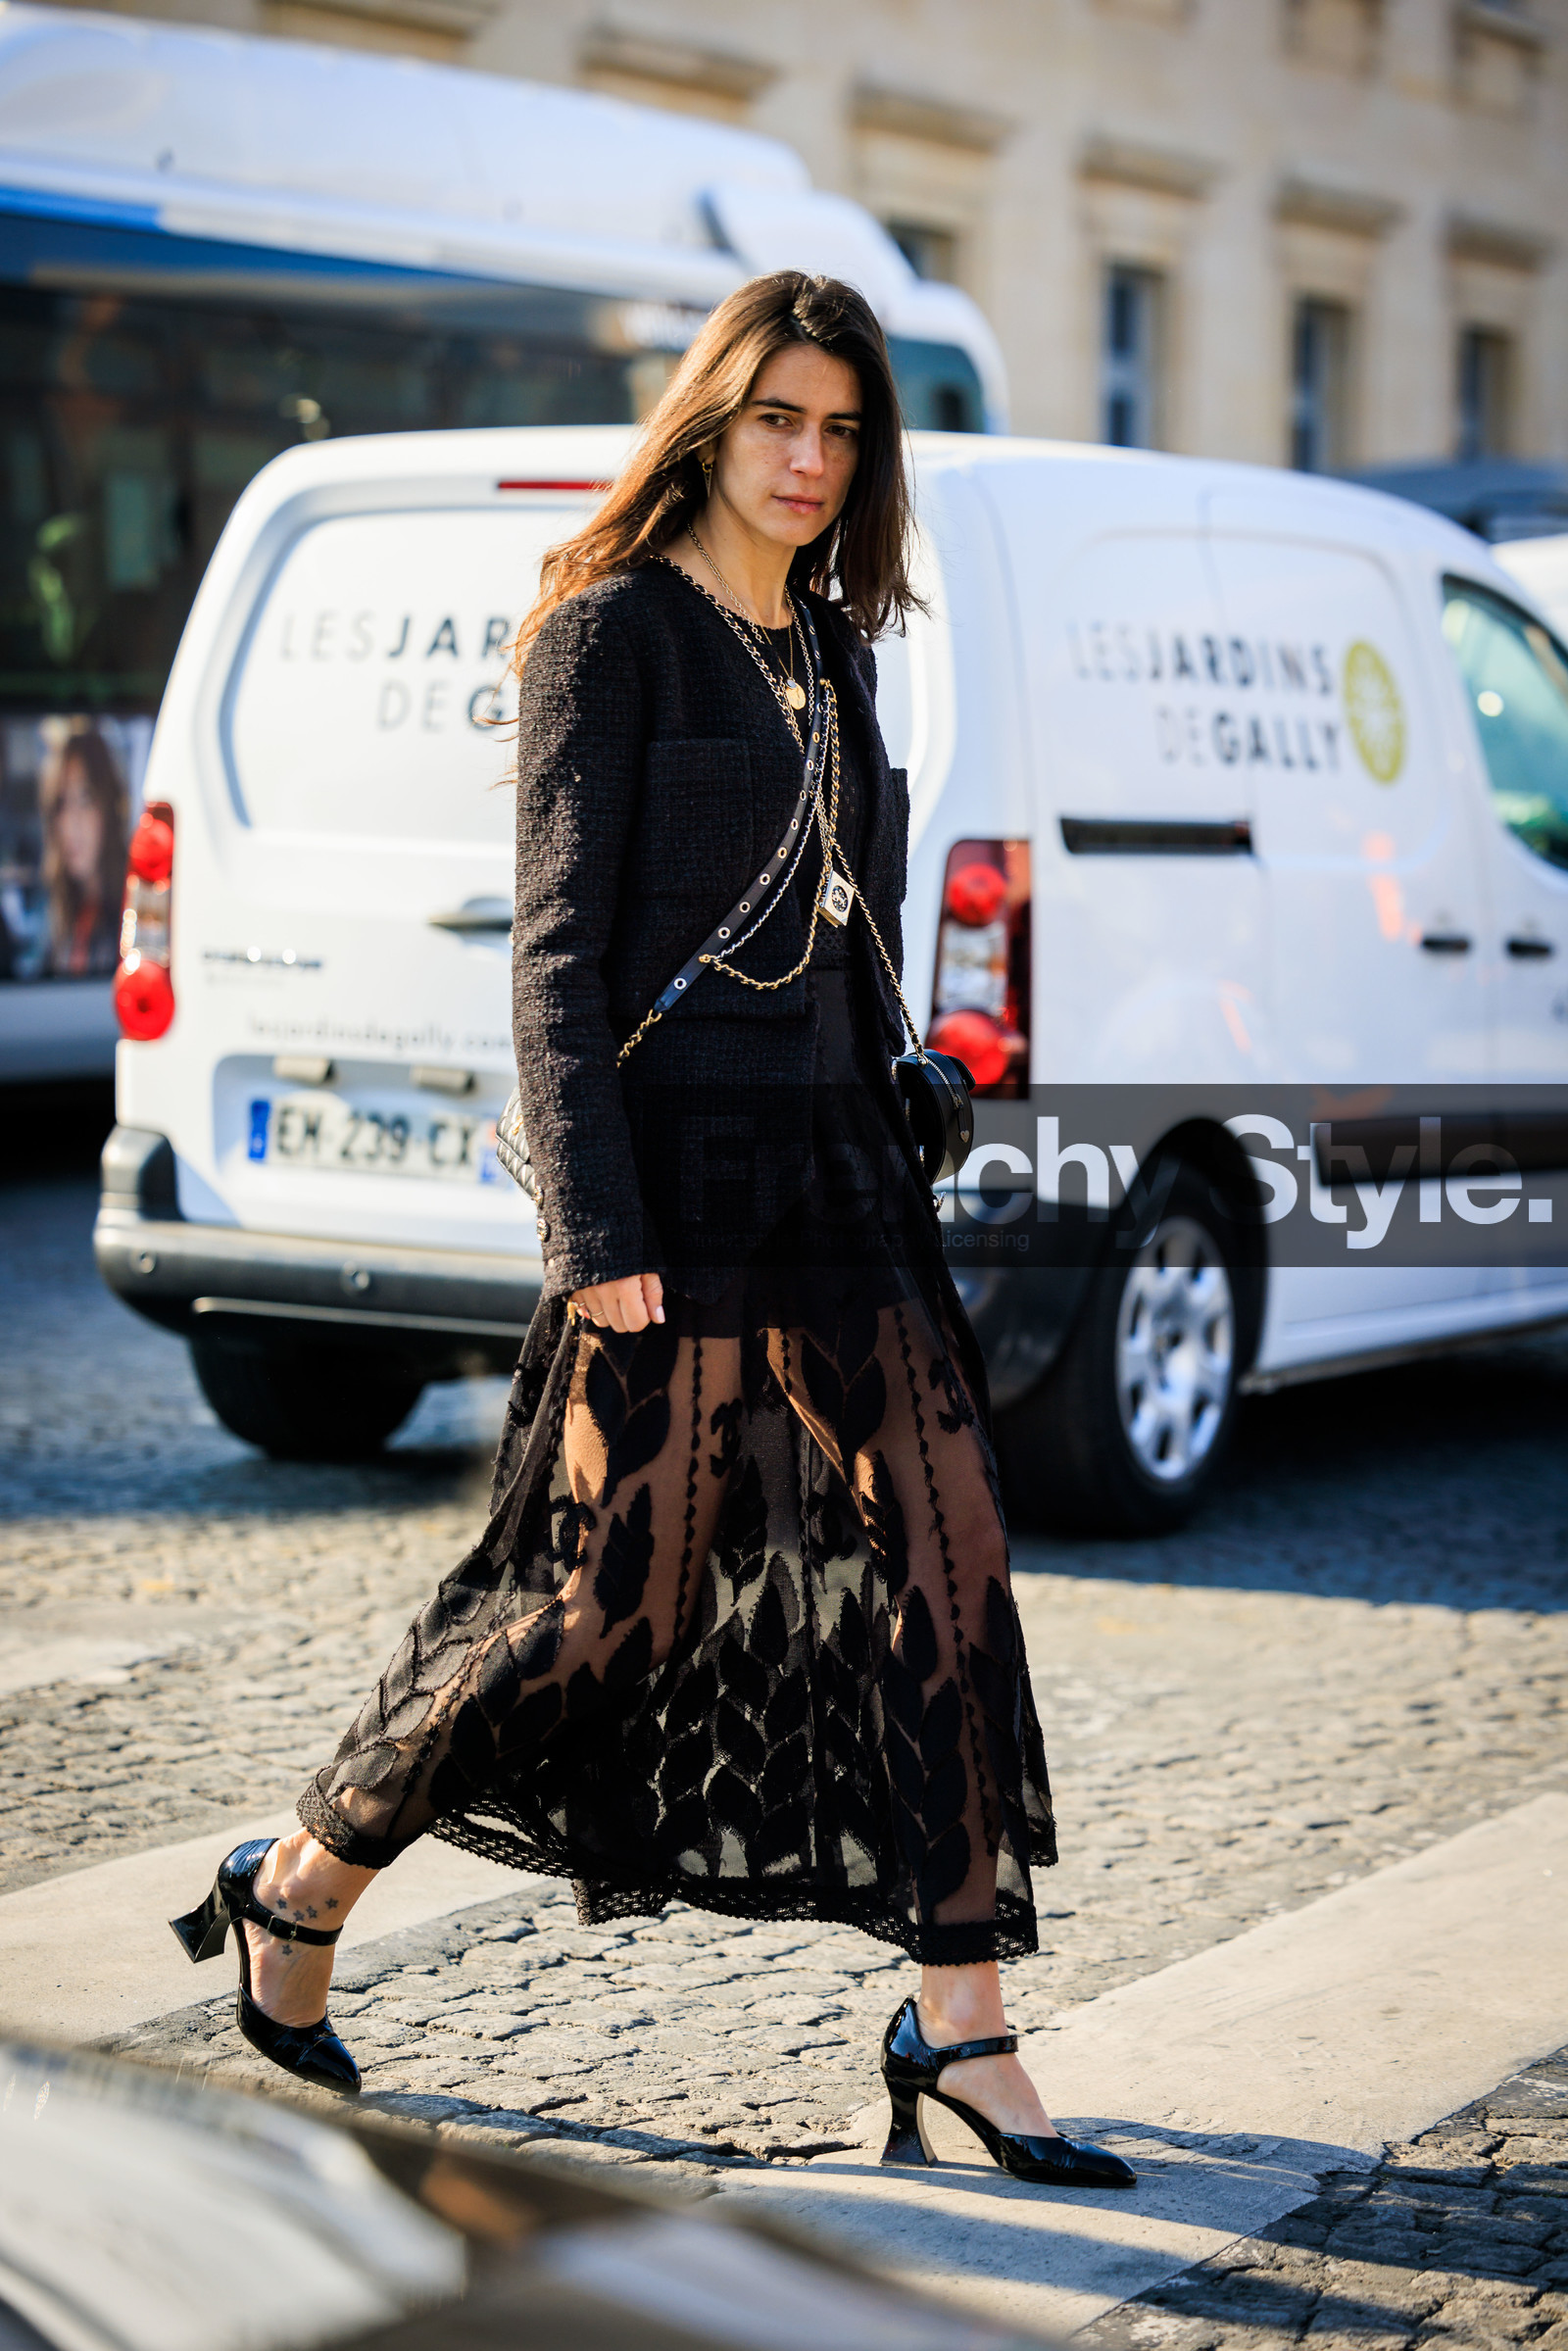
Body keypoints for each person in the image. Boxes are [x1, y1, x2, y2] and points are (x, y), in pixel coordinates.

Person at [170, 271, 1135, 2192]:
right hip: (668, 1192)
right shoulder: (608, 630)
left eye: (841, 428)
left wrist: (900, 1064)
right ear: (709, 417)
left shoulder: (833, 645)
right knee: (603, 1607)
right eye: (777, 415)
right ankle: (295, 1881)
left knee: (944, 1555)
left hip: (837, 1174)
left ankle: (964, 2025)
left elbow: (845, 903)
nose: (807, 456)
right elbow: (550, 954)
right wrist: (590, 1222)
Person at [41, 723, 127, 977]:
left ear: (109, 806)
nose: (70, 824)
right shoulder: (64, 922)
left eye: (84, 799)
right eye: (61, 804)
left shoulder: (132, 922)